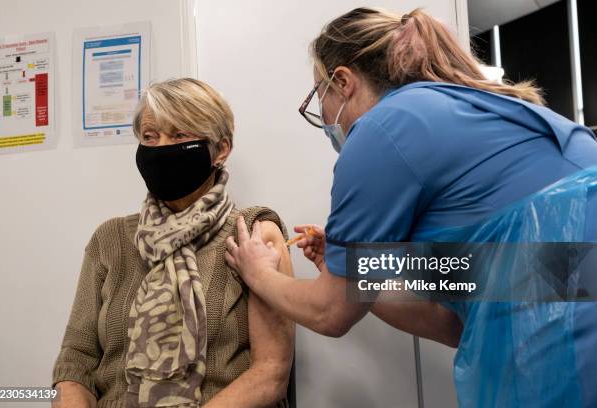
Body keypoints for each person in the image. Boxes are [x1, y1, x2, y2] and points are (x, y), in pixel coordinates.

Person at [225, 7, 597, 407]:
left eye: (320, 95)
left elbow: (328, 313)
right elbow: (456, 316)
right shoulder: (488, 108)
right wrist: (353, 269)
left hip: (563, 349)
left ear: (343, 81)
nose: (325, 116)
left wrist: (259, 273)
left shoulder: (382, 130)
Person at [52, 78, 294, 408]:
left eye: (179, 135)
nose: (161, 148)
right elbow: (75, 361)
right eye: (150, 137)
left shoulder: (252, 233)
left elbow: (270, 373)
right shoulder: (110, 239)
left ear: (220, 150)